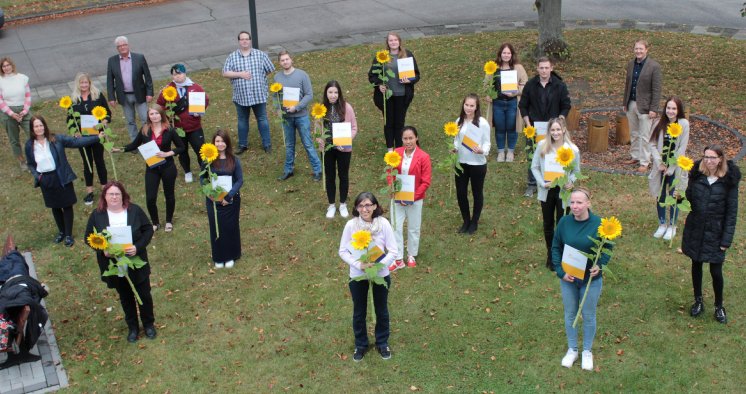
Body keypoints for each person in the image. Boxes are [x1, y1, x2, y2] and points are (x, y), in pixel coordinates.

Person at [84, 181, 156, 343]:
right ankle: (133, 328)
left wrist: (137, 247)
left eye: (117, 194)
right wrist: (103, 250)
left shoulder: (134, 210)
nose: (114, 197)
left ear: (123, 195)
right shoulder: (97, 215)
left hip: (136, 261)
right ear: (105, 197)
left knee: (143, 294)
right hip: (114, 264)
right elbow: (88, 237)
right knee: (126, 297)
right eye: (111, 194)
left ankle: (149, 324)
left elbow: (148, 229)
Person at [551, 188, 612, 371]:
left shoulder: (600, 224)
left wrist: (599, 265)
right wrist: (561, 272)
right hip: (568, 279)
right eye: (572, 202)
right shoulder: (564, 222)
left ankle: (587, 351)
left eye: (579, 202)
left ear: (588, 203)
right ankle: (573, 349)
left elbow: (607, 247)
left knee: (588, 315)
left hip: (590, 281)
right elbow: (556, 247)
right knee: (570, 313)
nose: (575, 206)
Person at [682, 145, 740, 324]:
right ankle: (698, 300)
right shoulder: (697, 175)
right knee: (696, 265)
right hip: (696, 228)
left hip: (716, 231)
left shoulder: (728, 181)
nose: (708, 161)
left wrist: (726, 240)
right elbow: (690, 198)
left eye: (713, 157)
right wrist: (680, 195)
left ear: (721, 159)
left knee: (716, 271)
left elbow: (731, 213)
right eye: (706, 156)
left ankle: (718, 305)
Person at [25, 115, 104, 247]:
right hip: (46, 179)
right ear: (32, 129)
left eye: (41, 125)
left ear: (44, 126)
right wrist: (38, 177)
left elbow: (76, 142)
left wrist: (97, 137)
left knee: (66, 205)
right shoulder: (29, 145)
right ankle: (61, 232)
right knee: (55, 207)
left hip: (61, 176)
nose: (39, 128)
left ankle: (68, 234)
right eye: (36, 126)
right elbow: (31, 164)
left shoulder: (56, 139)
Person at [338, 192, 397, 362]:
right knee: (359, 311)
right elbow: (342, 251)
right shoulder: (351, 226)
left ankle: (382, 342)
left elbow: (393, 250)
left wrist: (379, 266)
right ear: (356, 208)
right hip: (358, 275)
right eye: (361, 205)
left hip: (380, 273)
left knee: (381, 309)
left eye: (368, 205)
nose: (365, 209)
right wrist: (359, 265)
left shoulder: (383, 224)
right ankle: (361, 344)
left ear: (375, 206)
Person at [121, 105, 185, 232]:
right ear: (148, 116)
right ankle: (155, 222)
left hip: (168, 167)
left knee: (169, 195)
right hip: (152, 168)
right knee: (150, 197)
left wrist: (167, 154)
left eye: (156, 113)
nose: (154, 116)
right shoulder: (145, 130)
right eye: (151, 114)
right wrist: (118, 149)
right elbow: (134, 144)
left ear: (161, 114)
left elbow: (181, 147)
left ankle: (168, 221)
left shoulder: (170, 130)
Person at [518, 57, 571, 197]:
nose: (544, 70)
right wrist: (528, 124)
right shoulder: (530, 85)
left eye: (546, 68)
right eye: (541, 68)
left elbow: (566, 105)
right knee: (533, 155)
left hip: (553, 129)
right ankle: (531, 184)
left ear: (551, 68)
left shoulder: (560, 85)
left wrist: (560, 120)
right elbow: (522, 105)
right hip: (534, 128)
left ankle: (554, 180)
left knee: (553, 155)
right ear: (537, 68)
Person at [531, 118, 580, 271]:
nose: (555, 133)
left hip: (563, 192)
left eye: (558, 129)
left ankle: (560, 256)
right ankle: (550, 255)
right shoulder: (542, 146)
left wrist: (570, 182)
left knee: (562, 225)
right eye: (552, 130)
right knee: (548, 224)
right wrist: (541, 182)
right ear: (549, 131)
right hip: (547, 190)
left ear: (564, 129)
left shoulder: (572, 149)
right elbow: (535, 167)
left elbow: (576, 172)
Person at [222, 31, 275, 154]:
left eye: (246, 39)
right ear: (239, 41)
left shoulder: (260, 55)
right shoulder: (232, 57)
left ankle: (267, 144)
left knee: (262, 119)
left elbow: (270, 69)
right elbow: (225, 73)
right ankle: (242, 145)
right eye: (242, 39)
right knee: (242, 120)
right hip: (241, 96)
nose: (244, 41)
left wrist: (258, 78)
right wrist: (240, 74)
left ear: (250, 40)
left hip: (258, 94)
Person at [273, 50, 322, 181]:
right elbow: (275, 96)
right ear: (279, 62)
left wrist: (297, 107)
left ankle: (318, 170)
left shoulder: (302, 75)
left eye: (287, 59)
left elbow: (309, 95)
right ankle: (288, 170)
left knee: (308, 143)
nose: (285, 62)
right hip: (286, 118)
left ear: (291, 59)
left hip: (301, 116)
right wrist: (278, 109)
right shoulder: (277, 77)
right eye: (282, 60)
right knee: (289, 145)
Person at [156, 64, 209, 184]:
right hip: (177, 129)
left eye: (179, 73)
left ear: (185, 73)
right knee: (182, 151)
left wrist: (201, 110)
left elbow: (205, 100)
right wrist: (166, 116)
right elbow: (160, 105)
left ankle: (204, 173)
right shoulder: (167, 90)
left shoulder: (195, 87)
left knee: (200, 150)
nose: (176, 77)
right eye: (174, 74)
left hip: (194, 127)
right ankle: (187, 172)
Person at [367, 32, 420, 150]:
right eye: (391, 40)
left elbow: (416, 75)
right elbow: (372, 75)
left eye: (395, 40)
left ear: (399, 41)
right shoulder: (381, 56)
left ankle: (400, 148)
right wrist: (379, 84)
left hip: (402, 95)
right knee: (389, 122)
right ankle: (390, 148)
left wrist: (409, 80)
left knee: (400, 122)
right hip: (387, 96)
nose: (393, 42)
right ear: (387, 42)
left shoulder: (407, 55)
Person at [389, 126, 431, 270]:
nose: (408, 141)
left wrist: (412, 197)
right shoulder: (396, 153)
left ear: (416, 138)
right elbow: (390, 174)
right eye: (405, 138)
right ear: (401, 139)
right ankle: (398, 258)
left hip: (415, 199)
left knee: (413, 228)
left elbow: (426, 181)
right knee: (395, 227)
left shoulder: (424, 157)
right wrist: (394, 191)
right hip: (397, 197)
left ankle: (411, 254)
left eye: (411, 138)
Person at [647, 96, 689, 240]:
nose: (670, 111)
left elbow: (682, 148)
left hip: (675, 167)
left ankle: (672, 225)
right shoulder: (659, 122)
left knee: (674, 195)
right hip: (660, 167)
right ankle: (662, 223)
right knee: (661, 195)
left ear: (679, 110)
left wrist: (671, 167)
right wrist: (659, 163)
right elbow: (652, 143)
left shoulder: (683, 124)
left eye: (674, 108)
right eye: (668, 108)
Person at [69, 72, 111, 205]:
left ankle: (104, 189)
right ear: (78, 84)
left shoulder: (97, 96)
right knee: (87, 163)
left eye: (86, 82)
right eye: (81, 83)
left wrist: (104, 121)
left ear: (90, 83)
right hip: (83, 137)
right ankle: (89, 191)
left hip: (98, 135)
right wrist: (75, 131)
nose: (84, 85)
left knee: (99, 161)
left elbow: (107, 113)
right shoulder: (74, 100)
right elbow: (70, 119)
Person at [319, 80, 358, 218]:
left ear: (339, 93)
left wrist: (348, 140)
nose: (333, 95)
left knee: (343, 176)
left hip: (343, 148)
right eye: (330, 92)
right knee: (330, 176)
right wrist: (319, 140)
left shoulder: (347, 108)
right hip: (328, 148)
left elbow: (354, 128)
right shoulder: (321, 109)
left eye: (336, 92)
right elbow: (317, 129)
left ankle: (342, 204)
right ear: (326, 93)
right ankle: (331, 205)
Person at [453, 93, 491, 234]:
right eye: (466, 105)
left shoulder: (482, 123)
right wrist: (455, 147)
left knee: (476, 192)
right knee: (461, 193)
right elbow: (456, 139)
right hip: (461, 163)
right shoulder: (459, 121)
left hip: (477, 164)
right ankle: (466, 221)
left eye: (471, 106)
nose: (468, 108)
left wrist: (482, 150)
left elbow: (487, 142)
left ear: (476, 107)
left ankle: (474, 222)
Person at [205, 130, 243, 269]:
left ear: (227, 143)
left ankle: (231, 255)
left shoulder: (234, 160)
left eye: (222, 141)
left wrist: (229, 196)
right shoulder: (208, 161)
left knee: (230, 227)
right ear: (213, 143)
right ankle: (219, 257)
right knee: (216, 228)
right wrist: (209, 193)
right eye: (217, 141)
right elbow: (203, 179)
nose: (220, 144)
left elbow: (239, 180)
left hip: (231, 200)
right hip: (213, 201)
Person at [623, 39, 662, 173]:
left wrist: (653, 109)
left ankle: (644, 161)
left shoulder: (654, 66)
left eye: (641, 49)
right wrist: (625, 103)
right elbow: (627, 85)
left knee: (645, 136)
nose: (638, 51)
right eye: (636, 49)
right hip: (631, 103)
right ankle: (635, 156)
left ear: (646, 50)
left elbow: (657, 90)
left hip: (646, 107)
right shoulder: (630, 64)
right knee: (634, 133)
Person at [106, 36, 154, 141]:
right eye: (119, 46)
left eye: (124, 45)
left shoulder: (139, 58)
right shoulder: (112, 61)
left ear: (128, 45)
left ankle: (148, 141)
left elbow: (148, 77)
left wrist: (149, 93)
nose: (122, 47)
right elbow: (110, 81)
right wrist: (111, 97)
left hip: (140, 94)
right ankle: (134, 142)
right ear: (117, 48)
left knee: (145, 119)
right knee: (130, 121)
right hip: (124, 96)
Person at [487, 43, 528, 162]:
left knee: (511, 127)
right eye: (504, 52)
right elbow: (486, 84)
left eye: (508, 53)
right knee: (499, 128)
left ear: (512, 54)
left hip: (512, 103)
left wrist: (516, 92)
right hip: (497, 103)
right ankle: (500, 152)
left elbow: (525, 84)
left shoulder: (518, 67)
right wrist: (489, 94)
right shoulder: (493, 67)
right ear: (500, 54)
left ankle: (510, 151)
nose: (506, 55)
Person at [0, 57, 32, 170]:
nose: (6, 67)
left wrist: (24, 111)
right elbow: (0, 101)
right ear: (1, 68)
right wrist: (11, 113)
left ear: (12, 66)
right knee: (14, 139)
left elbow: (28, 96)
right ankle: (21, 161)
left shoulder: (22, 78)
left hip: (24, 111)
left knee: (33, 133)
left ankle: (32, 158)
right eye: (4, 66)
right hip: (7, 113)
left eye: (8, 65)